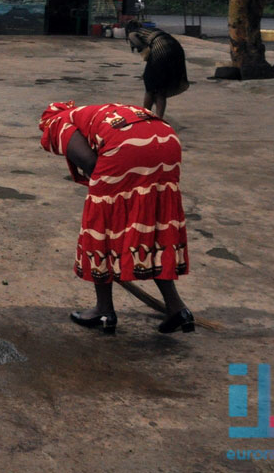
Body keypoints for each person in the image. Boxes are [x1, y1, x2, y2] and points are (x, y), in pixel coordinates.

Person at [39, 100, 194, 335]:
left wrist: (114, 232)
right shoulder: (96, 111)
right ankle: (177, 308)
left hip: (129, 147)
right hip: (166, 140)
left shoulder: (58, 122)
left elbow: (91, 164)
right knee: (153, 226)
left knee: (100, 226)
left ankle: (103, 309)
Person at [125, 22, 189, 118]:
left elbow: (145, 52)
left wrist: (148, 72)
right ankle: (159, 118)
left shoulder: (132, 33)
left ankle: (145, 115)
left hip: (161, 49)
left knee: (150, 86)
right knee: (160, 89)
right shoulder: (151, 30)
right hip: (177, 49)